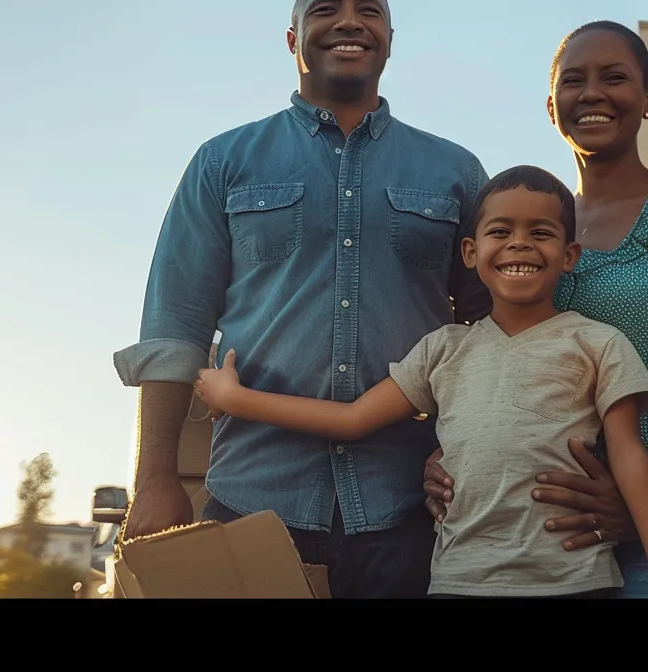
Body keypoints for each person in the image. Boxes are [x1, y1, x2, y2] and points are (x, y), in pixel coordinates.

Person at [111, 0, 492, 599]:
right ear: (293, 37)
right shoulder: (222, 164)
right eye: (325, 9)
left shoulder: (458, 173)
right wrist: (154, 478)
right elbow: (174, 330)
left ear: (390, 38)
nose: (349, 21)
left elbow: (490, 330)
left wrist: (461, 448)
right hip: (251, 498)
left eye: (369, 9)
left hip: (411, 508)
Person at [196, 165, 648, 599]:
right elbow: (352, 420)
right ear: (470, 252)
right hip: (459, 580)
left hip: (571, 577)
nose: (519, 242)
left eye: (540, 232)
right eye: (502, 231)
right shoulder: (444, 349)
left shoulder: (597, 343)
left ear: (570, 255)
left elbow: (629, 459)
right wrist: (236, 398)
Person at [422, 20, 648, 598]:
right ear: (552, 107)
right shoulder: (536, 227)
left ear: (646, 101)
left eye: (615, 78)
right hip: (534, 529)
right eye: (574, 80)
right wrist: (454, 454)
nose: (593, 93)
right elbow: (491, 359)